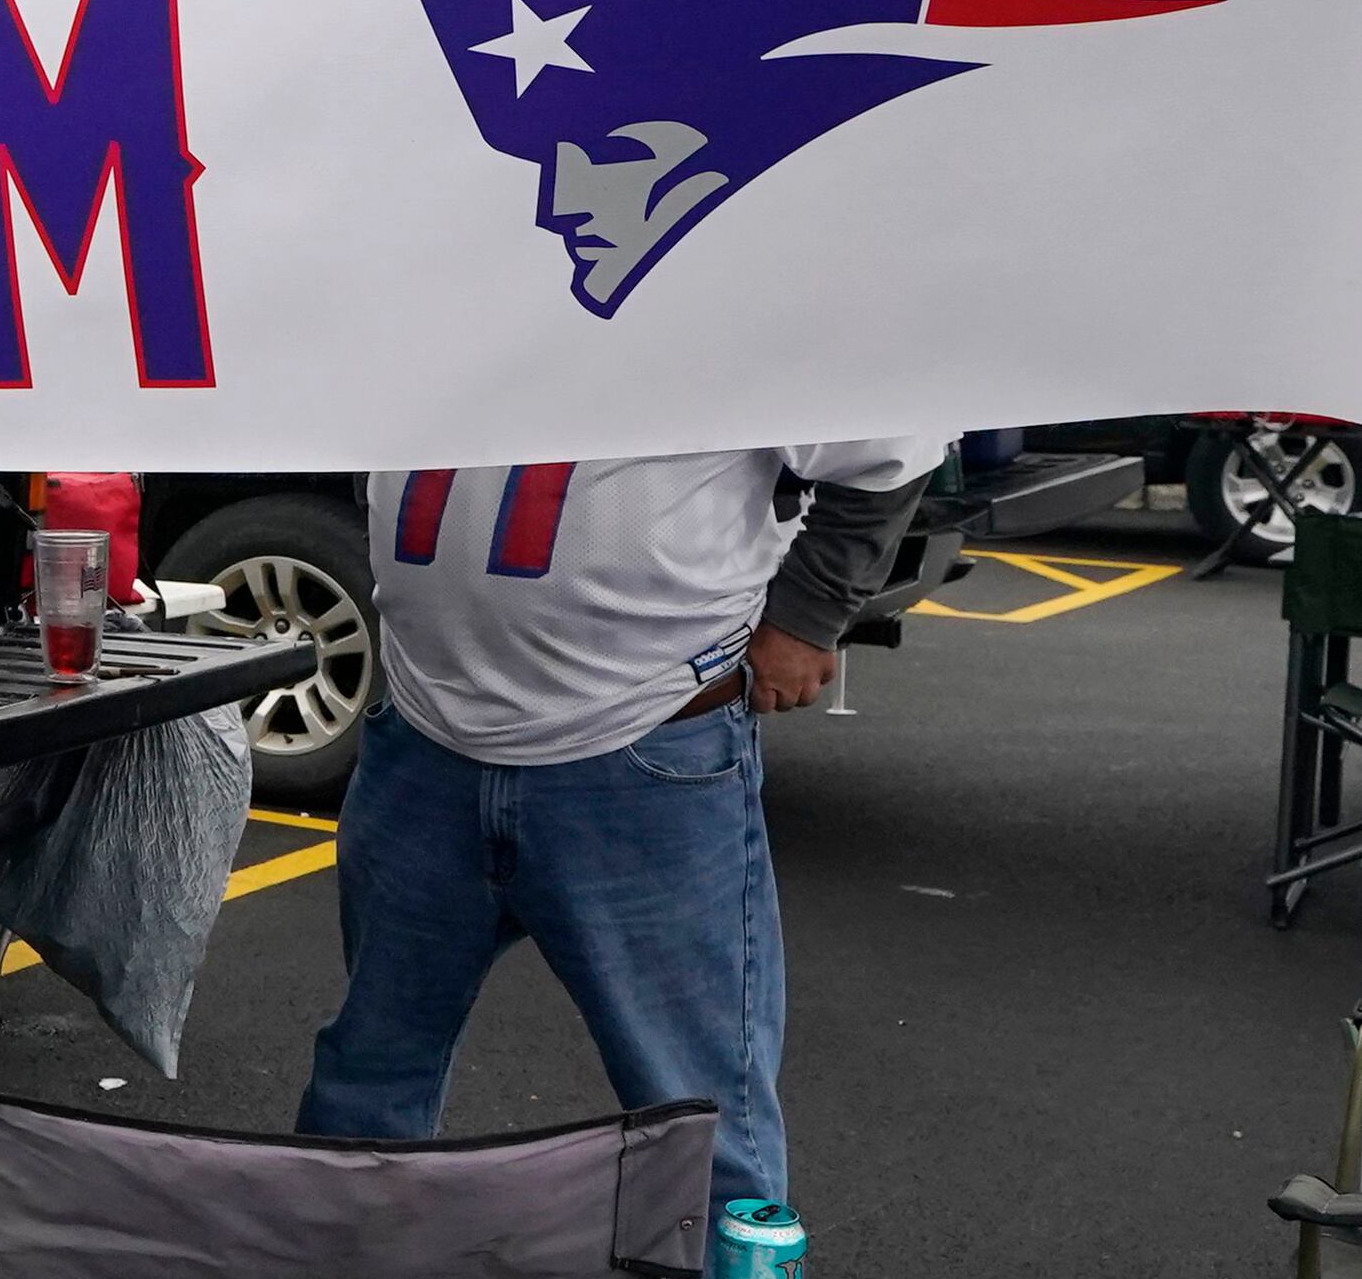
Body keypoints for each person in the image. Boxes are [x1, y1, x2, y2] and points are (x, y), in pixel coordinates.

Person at [292, 445, 932, 1219]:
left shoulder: (719, 321)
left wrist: (809, 615)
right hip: (425, 739)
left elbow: (893, 447)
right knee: (371, 1063)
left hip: (643, 741)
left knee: (697, 1099)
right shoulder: (426, 321)